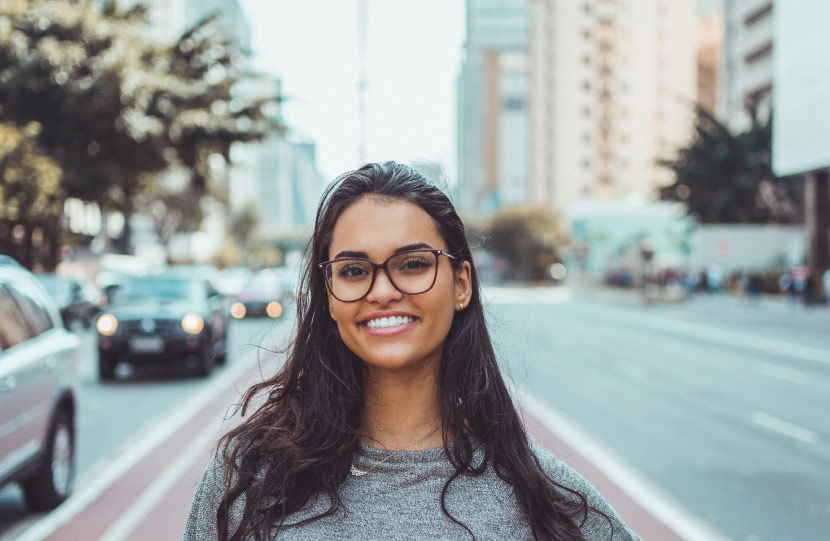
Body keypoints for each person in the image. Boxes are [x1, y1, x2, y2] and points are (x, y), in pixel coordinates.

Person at [184, 162, 639, 540]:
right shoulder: (245, 480)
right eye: (354, 270)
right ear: (327, 295)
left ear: (461, 284)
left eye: (414, 264)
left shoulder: (547, 502)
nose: (382, 291)